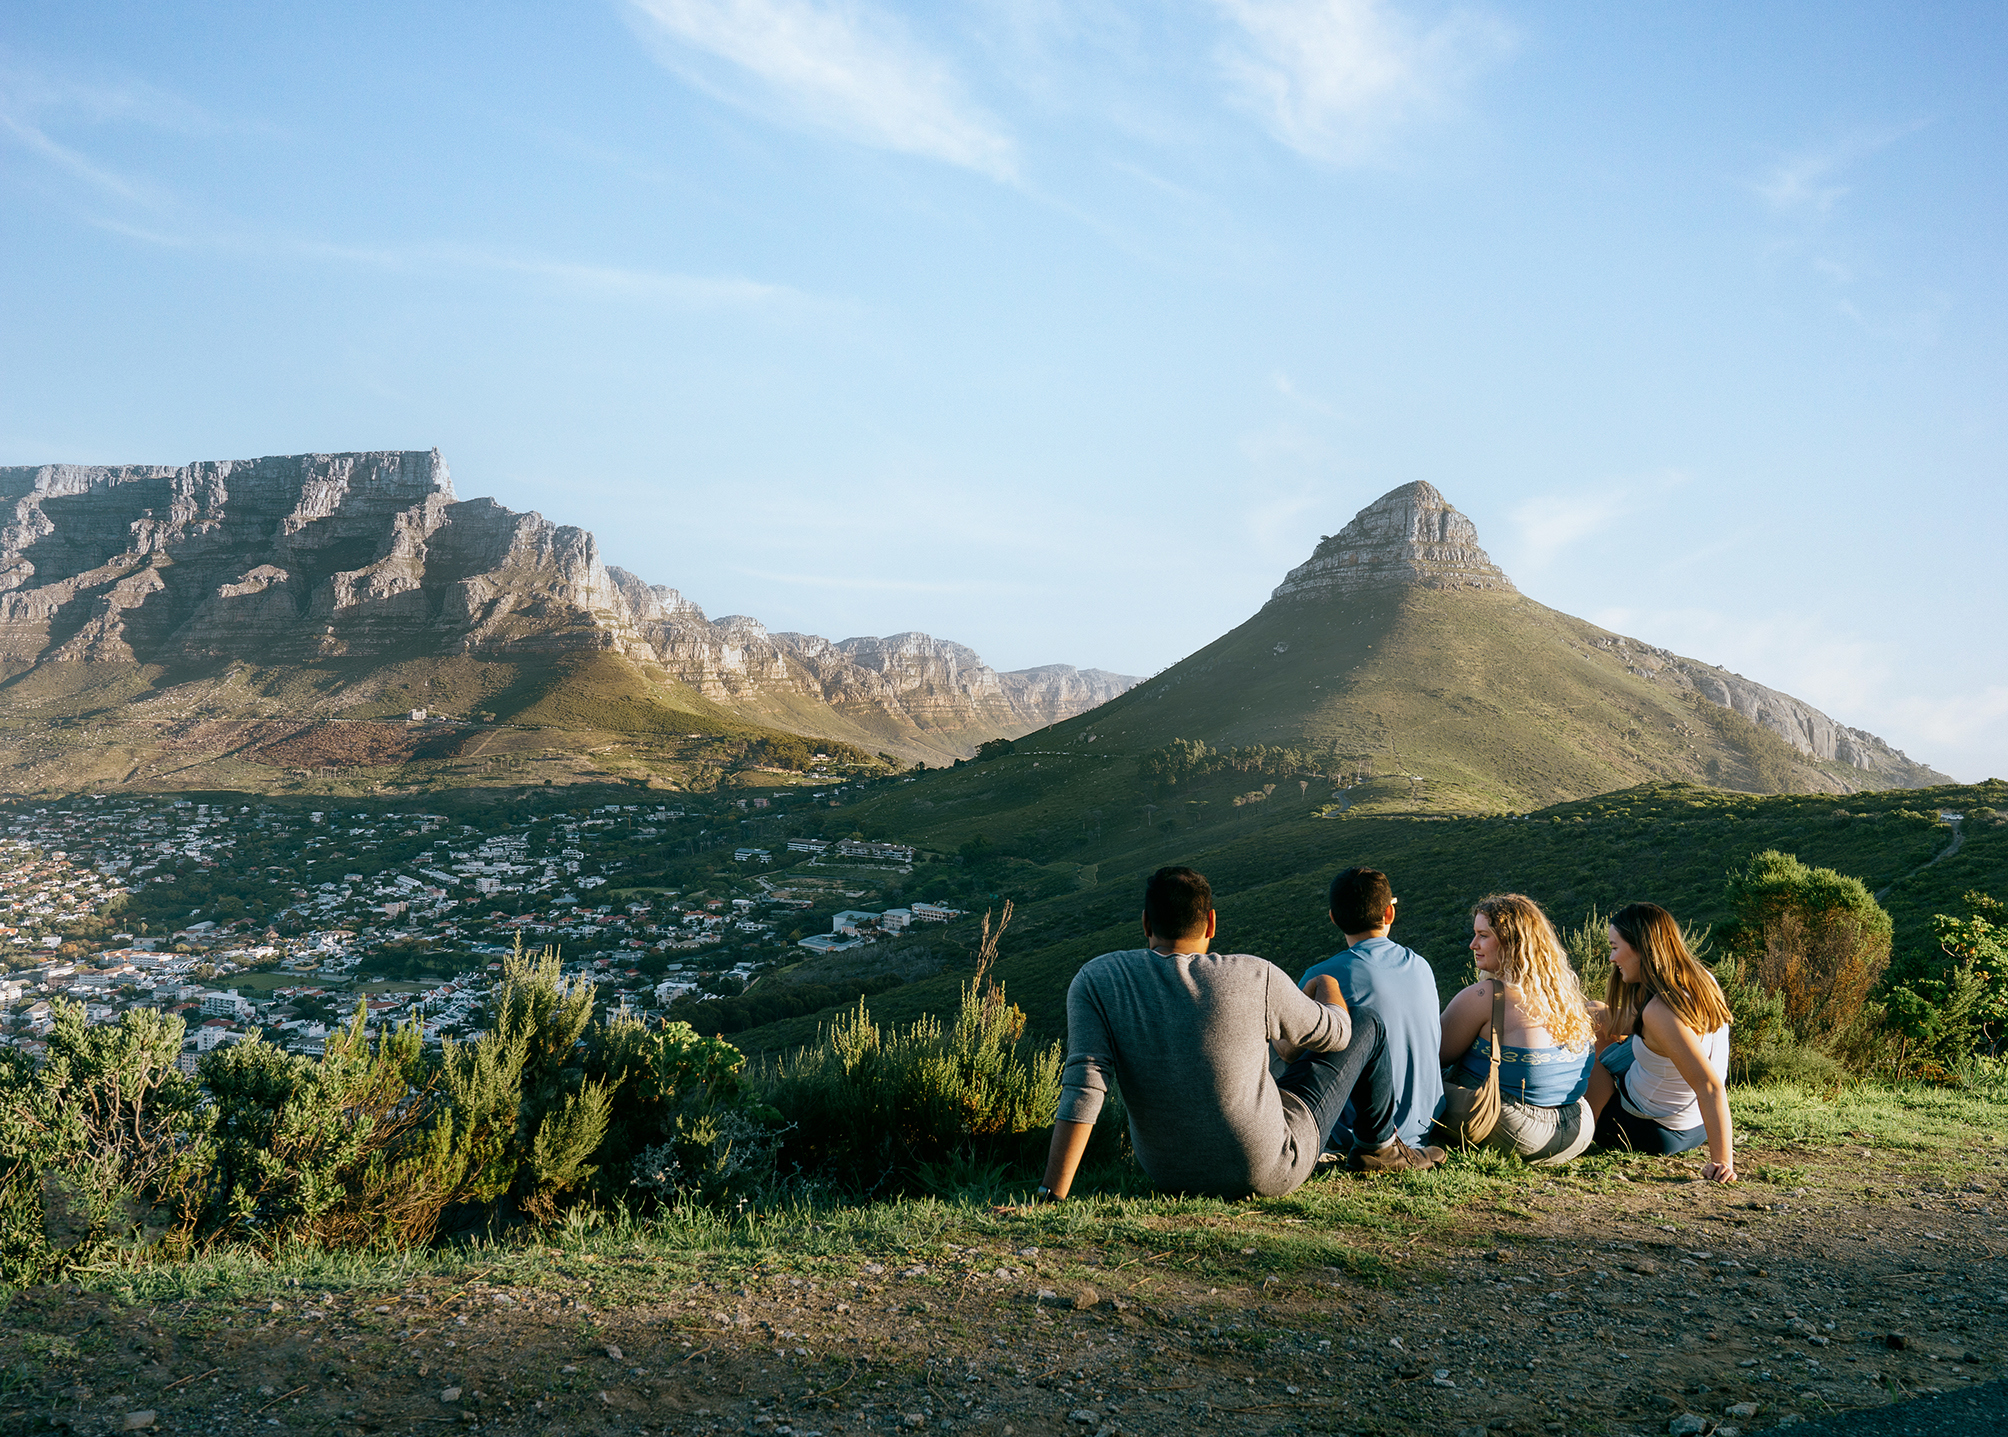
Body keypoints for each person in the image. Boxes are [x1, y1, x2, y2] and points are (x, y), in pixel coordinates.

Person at [1036, 866, 1445, 1201]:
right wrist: (1328, 989)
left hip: (1166, 1173)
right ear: (1212, 921)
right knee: (1367, 1022)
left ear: (1145, 922)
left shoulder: (1098, 979)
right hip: (1268, 1169)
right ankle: (1379, 1150)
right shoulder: (1254, 974)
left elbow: (1085, 1084)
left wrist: (1051, 1194)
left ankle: (1054, 1190)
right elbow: (1339, 1036)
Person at [1437, 893, 1596, 1165]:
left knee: (1417, 1082)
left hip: (1517, 1131)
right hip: (1577, 1129)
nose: (1472, 944)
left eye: (1483, 935)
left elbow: (1435, 1055)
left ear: (1512, 942)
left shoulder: (1486, 996)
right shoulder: (1562, 997)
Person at [1586, 902, 1737, 1182]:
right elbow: (1633, 1022)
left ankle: (1580, 1134)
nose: (1611, 958)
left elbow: (1709, 1084)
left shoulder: (1660, 1010)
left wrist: (1722, 1161)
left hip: (1653, 1129)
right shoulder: (1702, 980)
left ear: (1642, 948)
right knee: (1595, 1012)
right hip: (1696, 1126)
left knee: (1584, 1061)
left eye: (1615, 947)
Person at [1297, 867, 1444, 1153]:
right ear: (1389, 913)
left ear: (1333, 918)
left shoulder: (1324, 974)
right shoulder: (1421, 966)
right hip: (1425, 1125)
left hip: (1355, 1133)